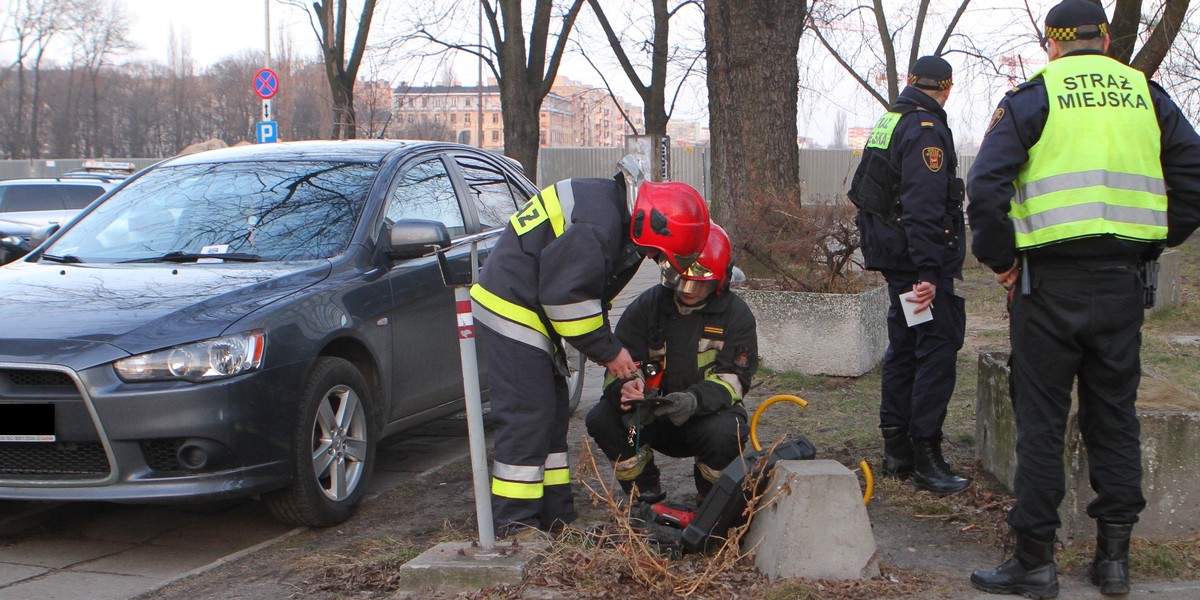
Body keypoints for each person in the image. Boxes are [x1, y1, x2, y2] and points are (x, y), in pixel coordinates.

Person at [966, 1, 1200, 596]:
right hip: (1122, 281)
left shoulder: (1036, 94)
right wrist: (1152, 242)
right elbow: (1194, 173)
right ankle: (1114, 563)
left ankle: (1036, 563)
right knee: (1114, 417)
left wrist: (1002, 261)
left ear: (1053, 43)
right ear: (1104, 39)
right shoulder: (1145, 94)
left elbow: (986, 186)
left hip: (1047, 285)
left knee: (1042, 424)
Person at [470, 157, 710, 537]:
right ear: (657, 229)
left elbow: (591, 300)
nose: (655, 260)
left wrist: (614, 356)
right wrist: (610, 353)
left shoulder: (616, 218)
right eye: (659, 253)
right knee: (527, 417)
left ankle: (554, 517)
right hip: (512, 309)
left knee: (549, 416)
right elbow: (567, 300)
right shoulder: (598, 227)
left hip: (529, 308)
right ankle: (515, 527)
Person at [847, 55, 969, 496]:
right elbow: (922, 206)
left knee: (906, 347)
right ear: (948, 88)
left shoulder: (890, 120)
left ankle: (897, 447)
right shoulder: (925, 130)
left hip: (897, 259)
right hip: (917, 264)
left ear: (912, 82)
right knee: (936, 349)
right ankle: (925, 455)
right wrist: (929, 271)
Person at [585, 223, 756, 504]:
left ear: (719, 280)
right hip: (647, 420)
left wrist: (691, 401)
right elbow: (619, 365)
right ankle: (643, 492)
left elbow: (734, 380)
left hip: (704, 418)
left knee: (728, 432)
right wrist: (626, 390)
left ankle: (711, 499)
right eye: (681, 279)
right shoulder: (648, 306)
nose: (687, 290)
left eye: (698, 283)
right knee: (602, 419)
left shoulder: (736, 316)